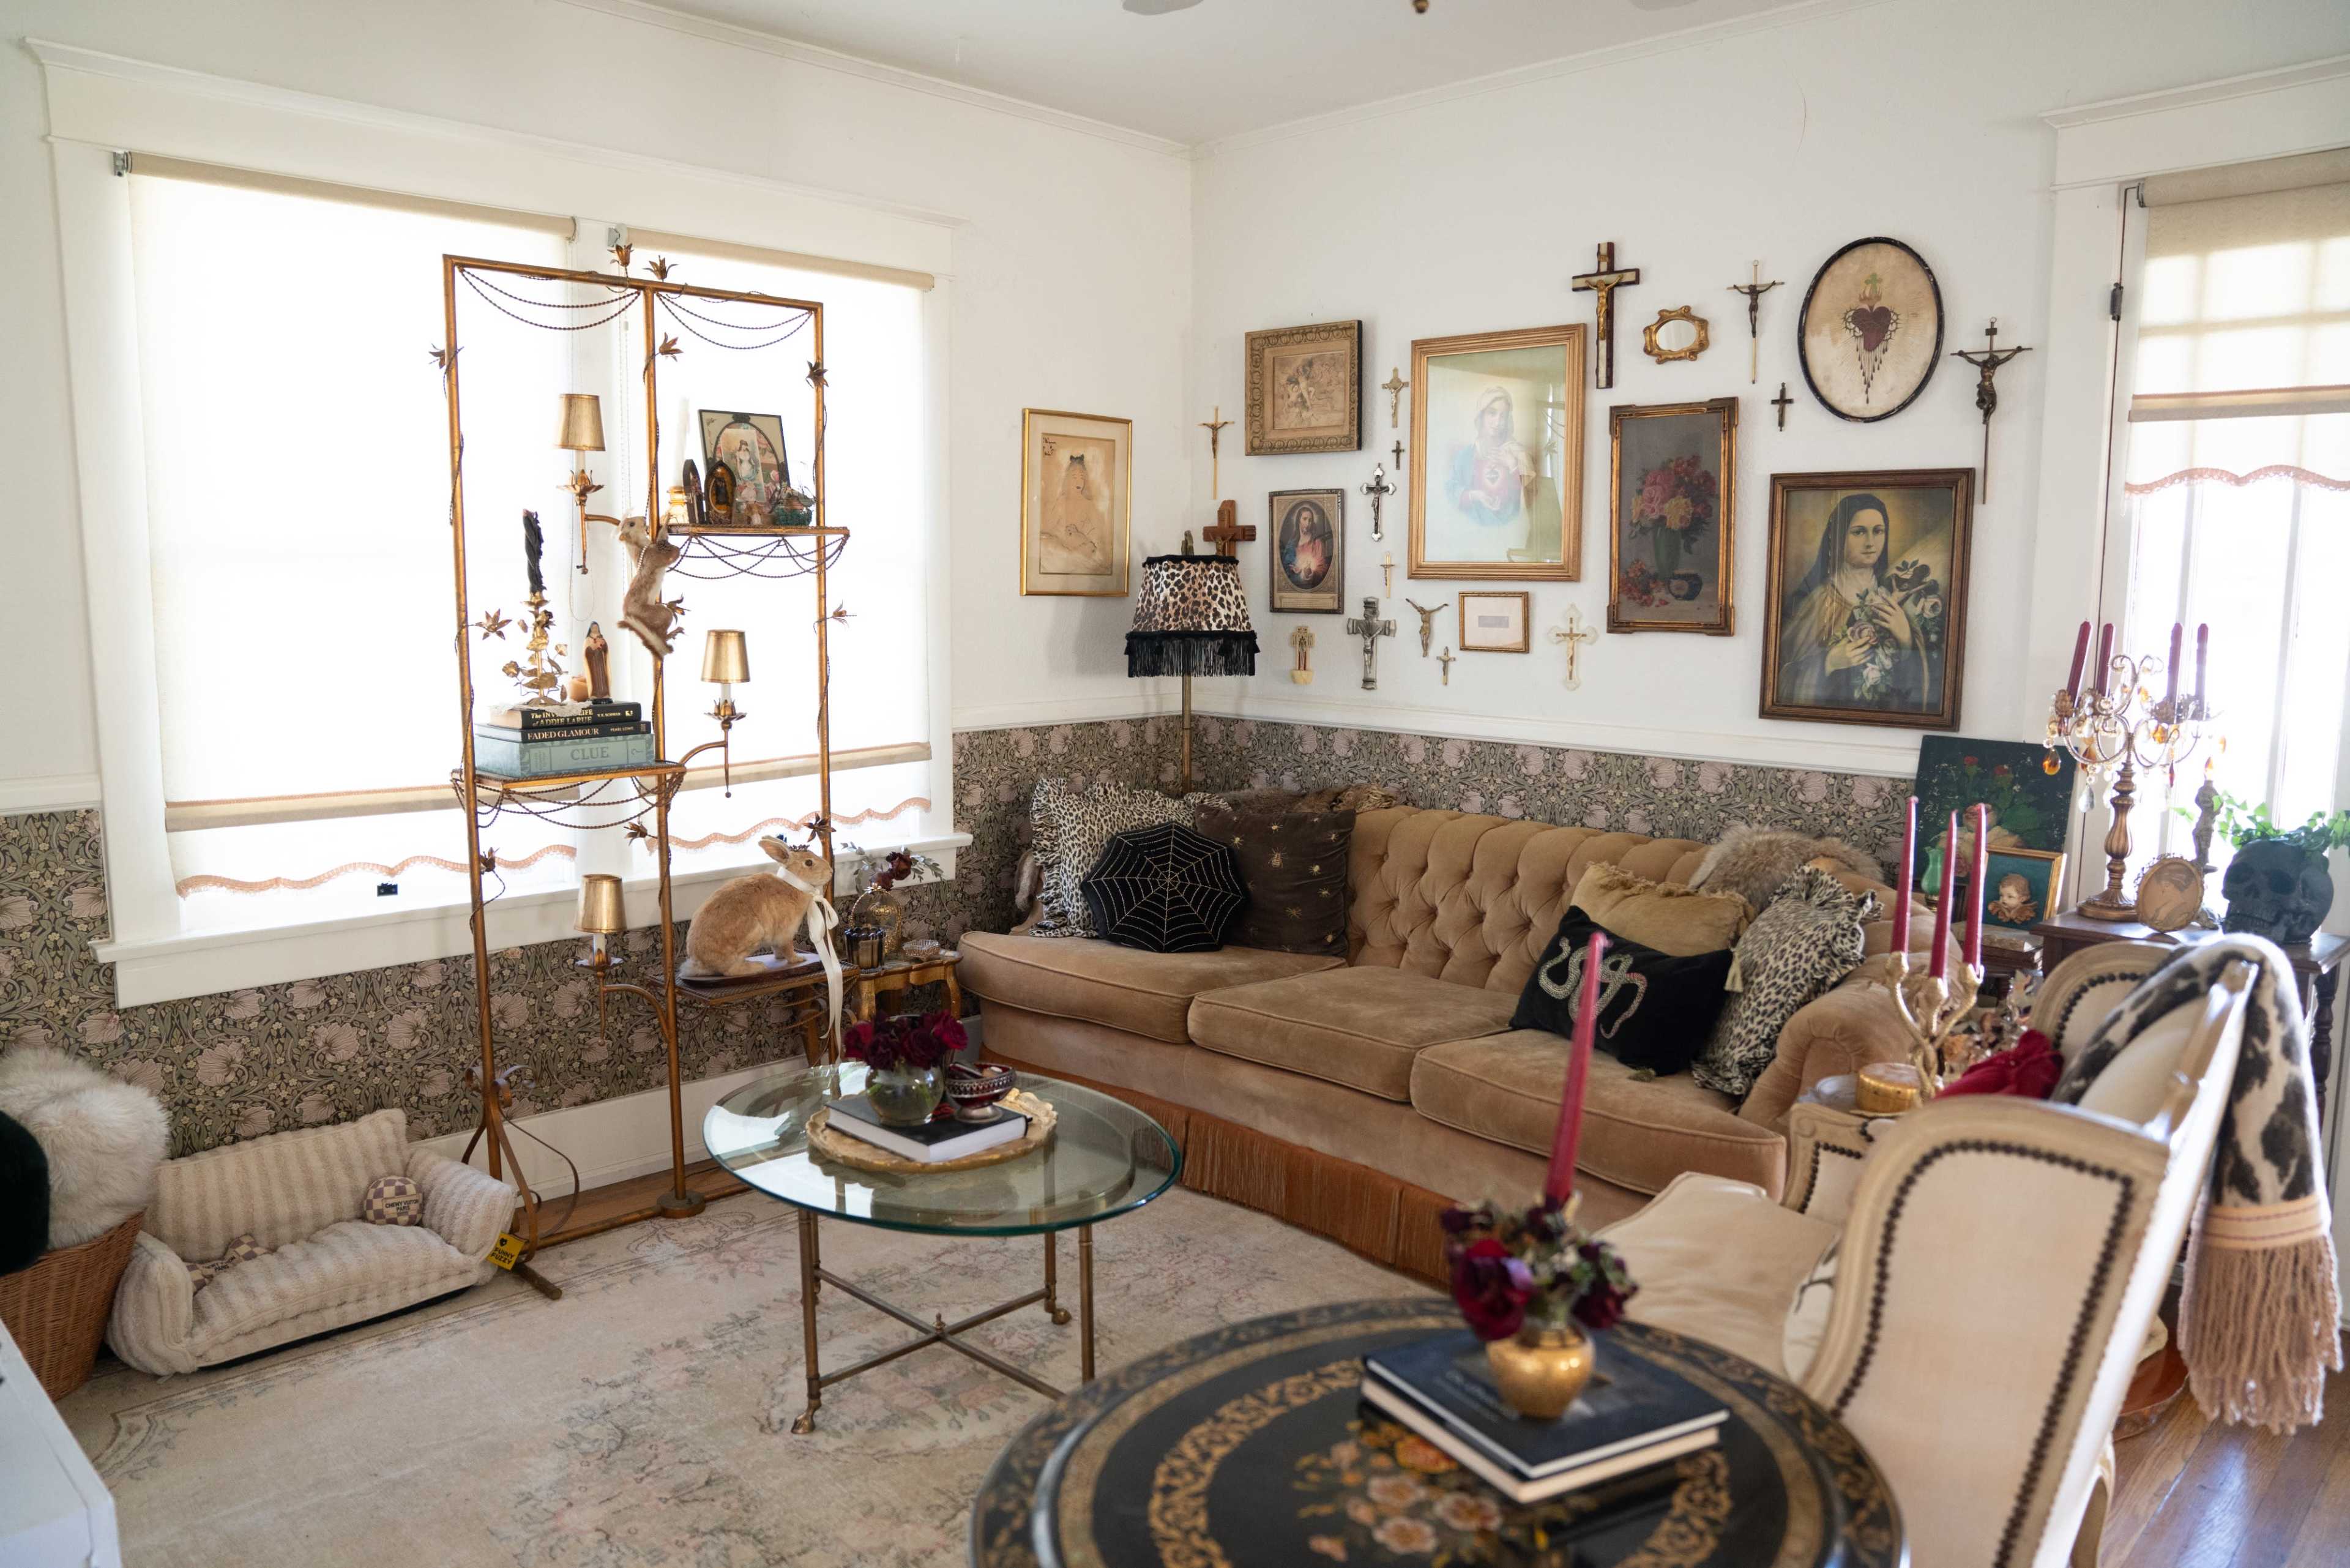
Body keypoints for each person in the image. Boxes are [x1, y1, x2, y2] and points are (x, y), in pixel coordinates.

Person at [1775, 491, 1941, 711]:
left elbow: (1925, 690)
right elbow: (1779, 681)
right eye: (1859, 532)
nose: (1871, 542)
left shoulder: (1896, 597)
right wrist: (1829, 662)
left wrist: (1906, 639)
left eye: (1878, 531)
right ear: (1838, 537)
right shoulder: (1816, 602)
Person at [1444, 385, 1538, 543]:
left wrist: (1513, 465)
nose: (1498, 422)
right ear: (1481, 416)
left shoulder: (1519, 454)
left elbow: (1533, 500)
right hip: (1469, 537)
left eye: (1503, 416)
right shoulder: (1467, 455)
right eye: (1492, 414)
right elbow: (1451, 491)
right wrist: (1476, 496)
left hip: (1510, 537)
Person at [1282, 500, 1332, 589]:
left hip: (1312, 587)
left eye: (1310, 520)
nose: (1308, 523)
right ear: (1298, 521)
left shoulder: (1317, 542)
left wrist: (1314, 573)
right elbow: (1285, 568)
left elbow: (1322, 567)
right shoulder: (1291, 544)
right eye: (1305, 519)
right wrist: (1296, 571)